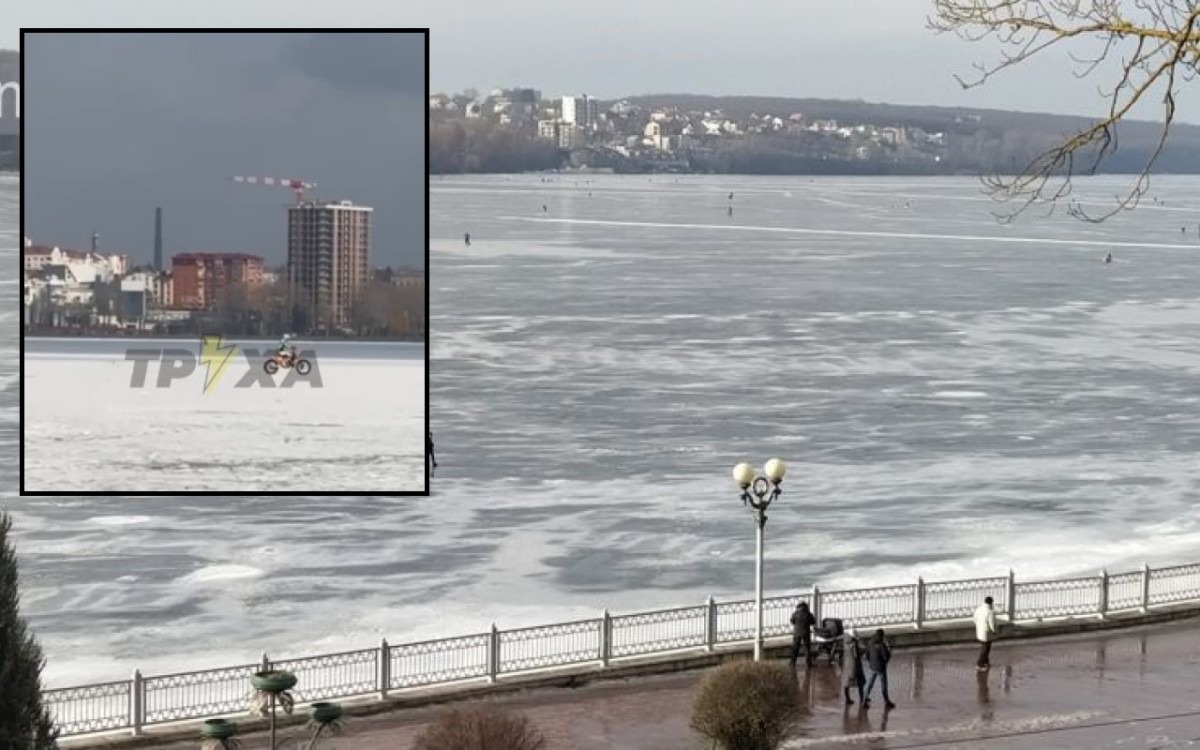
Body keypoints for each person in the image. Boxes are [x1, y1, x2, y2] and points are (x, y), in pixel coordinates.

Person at [863, 629, 895, 709]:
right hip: (881, 668)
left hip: (872, 667)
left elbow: (867, 654)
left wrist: (870, 662)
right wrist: (889, 650)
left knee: (869, 684)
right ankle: (886, 701)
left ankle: (864, 700)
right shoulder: (882, 645)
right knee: (884, 685)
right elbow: (885, 657)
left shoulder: (870, 643)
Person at [841, 627, 866, 706]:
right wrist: (859, 640)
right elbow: (858, 653)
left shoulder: (845, 642)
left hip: (846, 664)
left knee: (846, 683)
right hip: (855, 666)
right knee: (860, 683)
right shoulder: (854, 645)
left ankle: (847, 699)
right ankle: (862, 700)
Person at [974, 596, 998, 671]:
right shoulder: (990, 612)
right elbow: (992, 624)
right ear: (991, 603)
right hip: (987, 633)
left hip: (980, 632)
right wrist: (995, 631)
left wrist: (979, 626)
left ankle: (986, 662)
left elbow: (974, 619)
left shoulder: (978, 609)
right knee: (985, 649)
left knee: (985, 647)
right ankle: (980, 664)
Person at [789, 601, 816, 668]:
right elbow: (813, 622)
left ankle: (792, 662)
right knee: (807, 648)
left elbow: (792, 621)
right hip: (806, 633)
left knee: (795, 648)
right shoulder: (808, 614)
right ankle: (809, 663)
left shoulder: (795, 613)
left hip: (797, 633)